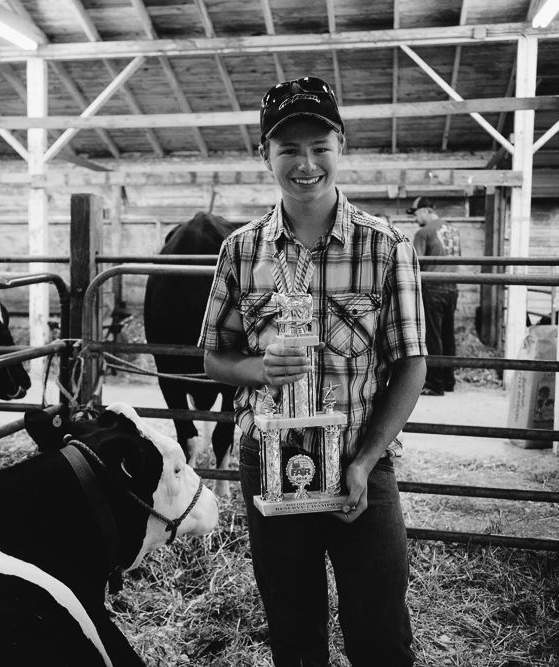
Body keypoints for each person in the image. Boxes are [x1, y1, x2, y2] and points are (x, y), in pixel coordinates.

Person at [198, 76, 426, 667]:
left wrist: (367, 460)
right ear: (265, 155)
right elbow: (213, 357)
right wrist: (257, 368)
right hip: (269, 466)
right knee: (293, 629)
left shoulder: (385, 246)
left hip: (359, 462)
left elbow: (411, 364)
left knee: (380, 629)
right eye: (288, 148)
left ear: (341, 146)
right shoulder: (241, 251)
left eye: (319, 146)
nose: (306, 164)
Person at [409, 197, 461, 396]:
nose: (415, 218)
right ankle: (449, 380)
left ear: (424, 210)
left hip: (432, 289)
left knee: (432, 336)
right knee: (448, 336)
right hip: (452, 287)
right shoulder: (454, 231)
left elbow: (416, 263)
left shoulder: (424, 233)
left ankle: (434, 383)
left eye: (415, 213)